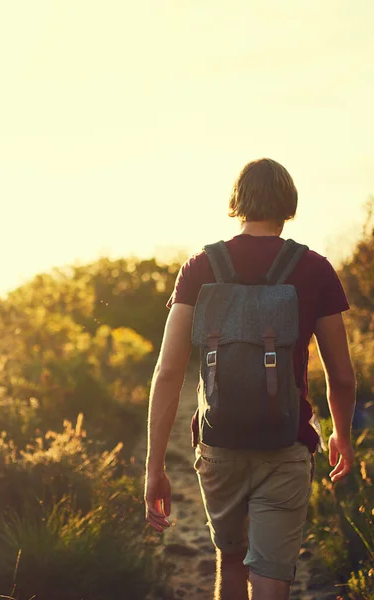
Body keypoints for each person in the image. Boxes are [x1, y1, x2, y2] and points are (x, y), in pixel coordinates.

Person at [144, 158, 356, 600]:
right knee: (273, 576)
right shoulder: (314, 268)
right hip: (287, 444)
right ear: (289, 203)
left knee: (232, 561)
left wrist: (155, 465)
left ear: (237, 201)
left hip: (218, 445)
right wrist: (342, 435)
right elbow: (342, 374)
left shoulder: (200, 267)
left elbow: (168, 371)